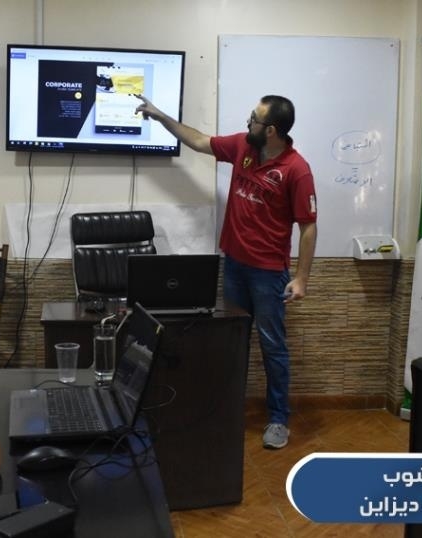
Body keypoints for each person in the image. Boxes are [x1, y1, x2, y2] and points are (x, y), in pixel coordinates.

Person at [135, 94, 317, 449]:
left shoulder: (297, 169)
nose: (248, 122)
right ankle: (229, 409)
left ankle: (278, 419)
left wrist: (302, 278)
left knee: (272, 347)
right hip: (234, 265)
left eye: (254, 119)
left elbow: (308, 226)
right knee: (233, 342)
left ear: (272, 130)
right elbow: (198, 140)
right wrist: (160, 116)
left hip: (268, 274)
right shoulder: (243, 147)